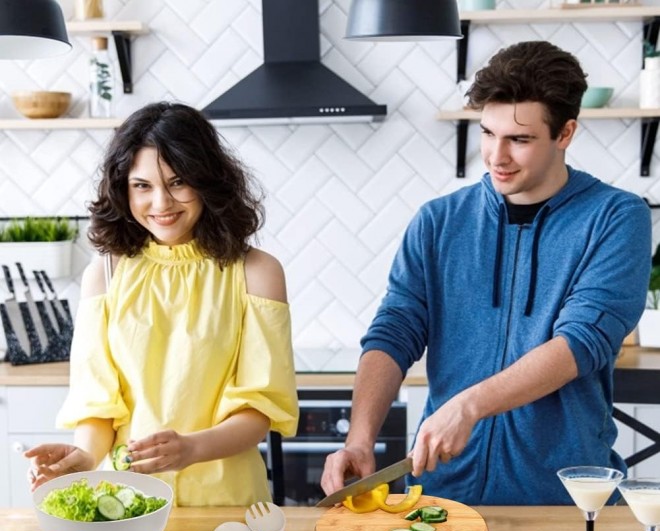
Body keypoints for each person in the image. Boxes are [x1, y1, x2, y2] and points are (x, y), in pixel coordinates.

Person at [320, 40, 652, 505]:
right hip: (443, 498)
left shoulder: (615, 217)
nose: (496, 156)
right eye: (488, 133)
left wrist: (470, 405)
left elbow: (581, 342)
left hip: (563, 500)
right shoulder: (439, 221)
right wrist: (359, 438)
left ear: (565, 133)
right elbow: (395, 330)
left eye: (519, 139)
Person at [25, 102, 299, 506]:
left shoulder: (256, 272)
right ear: (123, 188)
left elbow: (259, 411)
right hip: (126, 502)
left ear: (208, 181)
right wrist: (83, 456)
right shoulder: (105, 273)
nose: (161, 203)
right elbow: (98, 404)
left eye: (178, 182)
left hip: (227, 505)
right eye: (142, 186)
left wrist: (190, 449)